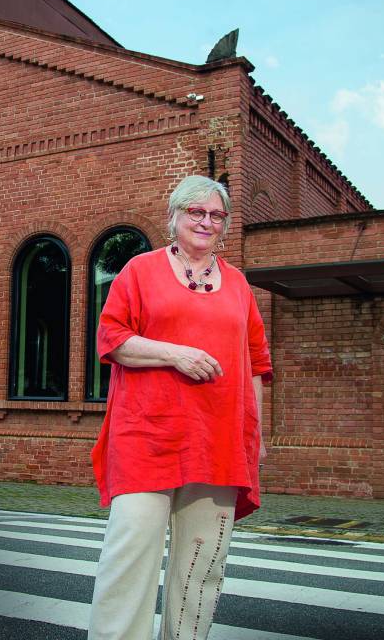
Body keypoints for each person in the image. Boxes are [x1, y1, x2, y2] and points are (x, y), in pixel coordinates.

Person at [88, 174, 273, 640]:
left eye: (216, 215)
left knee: (201, 566)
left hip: (220, 441)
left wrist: (257, 435)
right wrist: (175, 353)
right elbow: (112, 339)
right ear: (174, 217)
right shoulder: (139, 271)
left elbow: (256, 364)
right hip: (146, 438)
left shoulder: (238, 286)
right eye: (196, 212)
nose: (206, 222)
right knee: (128, 558)